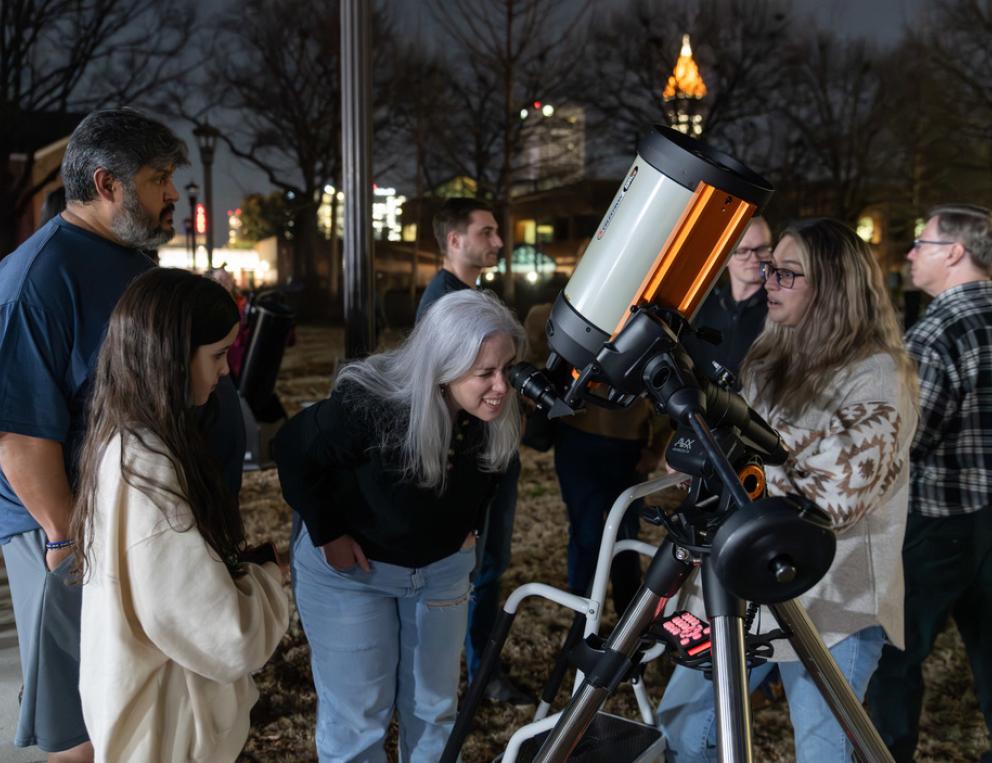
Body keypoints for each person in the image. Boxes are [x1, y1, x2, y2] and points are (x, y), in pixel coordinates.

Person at [0, 108, 244, 762]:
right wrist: (62, 542)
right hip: (70, 528)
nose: (172, 193)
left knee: (138, 703)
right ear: (107, 184)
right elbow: (20, 435)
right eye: (159, 177)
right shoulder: (39, 280)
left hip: (135, 515)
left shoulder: (130, 260)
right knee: (82, 716)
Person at [657, 218, 918, 762]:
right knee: (683, 731)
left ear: (831, 288)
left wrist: (730, 459)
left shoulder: (876, 374)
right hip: (746, 590)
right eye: (770, 267)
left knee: (824, 752)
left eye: (786, 272)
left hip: (833, 601)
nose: (767, 279)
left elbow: (833, 499)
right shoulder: (766, 358)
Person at [276, 289, 524, 761]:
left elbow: (490, 473)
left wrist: (466, 524)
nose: (502, 387)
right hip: (356, 575)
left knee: (433, 711)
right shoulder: (375, 405)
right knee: (359, 719)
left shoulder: (493, 413)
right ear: (443, 366)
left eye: (507, 369)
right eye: (485, 373)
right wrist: (328, 531)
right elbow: (293, 451)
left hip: (439, 570)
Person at [69, 269, 289, 762]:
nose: (226, 370)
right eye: (216, 356)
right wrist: (267, 581)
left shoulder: (125, 441)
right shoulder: (147, 468)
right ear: (169, 354)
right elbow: (223, 634)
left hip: (151, 718)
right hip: (168, 732)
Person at [866, 204, 992, 763]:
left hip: (940, 521)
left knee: (895, 654)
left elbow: (909, 436)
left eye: (921, 242)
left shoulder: (938, 329)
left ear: (955, 253)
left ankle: (886, 753)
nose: (911, 252)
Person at [416, 197, 529, 703]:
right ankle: (481, 674)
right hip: (474, 459)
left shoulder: (465, 295)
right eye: (486, 232)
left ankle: (480, 669)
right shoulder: (445, 303)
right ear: (454, 240)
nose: (498, 242)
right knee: (480, 567)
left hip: (488, 453)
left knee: (487, 566)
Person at [683, 216, 773, 382]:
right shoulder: (703, 310)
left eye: (762, 248)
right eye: (743, 251)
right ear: (725, 257)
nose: (754, 259)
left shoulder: (779, 311)